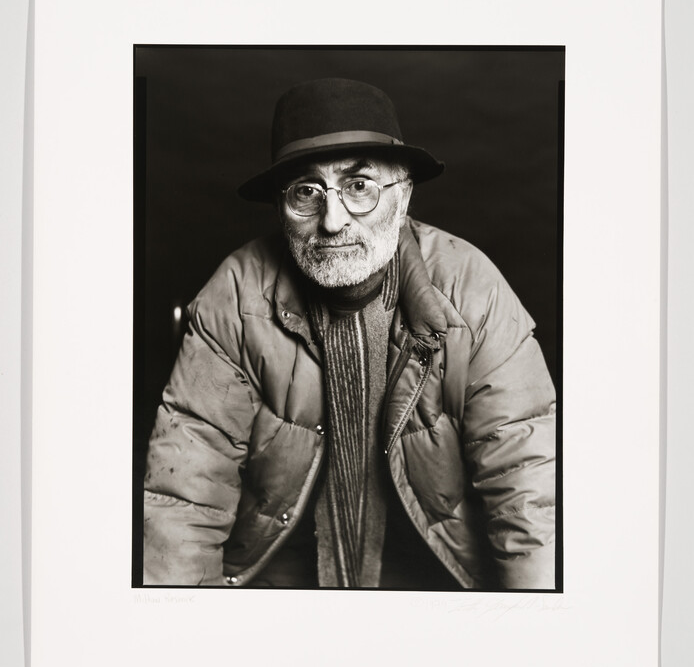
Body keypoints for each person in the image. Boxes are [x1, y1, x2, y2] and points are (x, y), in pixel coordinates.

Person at [143, 77, 556, 590]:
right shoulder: (234, 295)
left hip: (434, 586)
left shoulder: (474, 292)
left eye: (359, 186)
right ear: (280, 207)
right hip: (280, 585)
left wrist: (534, 626)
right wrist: (184, 627)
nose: (333, 220)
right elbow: (184, 497)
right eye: (307, 192)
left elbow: (530, 491)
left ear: (403, 197)